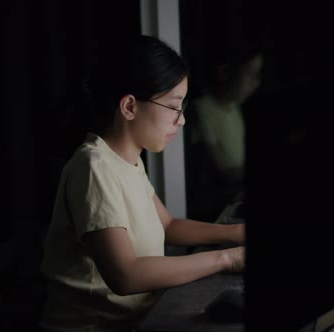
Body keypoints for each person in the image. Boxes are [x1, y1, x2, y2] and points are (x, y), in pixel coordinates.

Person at [39, 35, 245, 332]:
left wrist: (234, 232)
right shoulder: (94, 167)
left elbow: (169, 225)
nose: (182, 120)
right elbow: (126, 275)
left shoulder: (129, 161)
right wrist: (228, 258)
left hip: (139, 320)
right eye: (175, 107)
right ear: (130, 107)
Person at [187, 38, 264, 221]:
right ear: (224, 73)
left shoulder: (235, 107)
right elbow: (225, 169)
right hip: (216, 208)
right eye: (250, 73)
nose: (257, 82)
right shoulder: (203, 109)